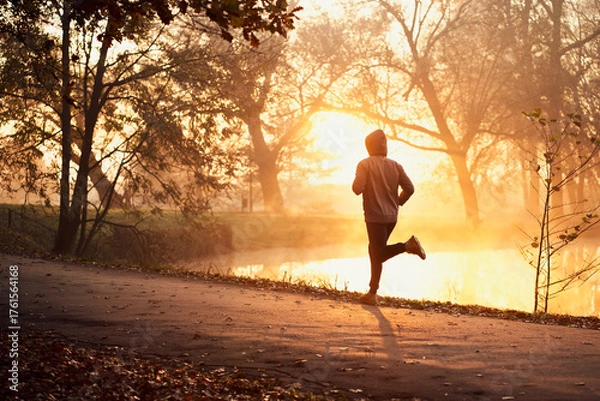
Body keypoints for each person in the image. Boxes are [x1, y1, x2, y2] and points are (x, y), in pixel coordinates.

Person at [352, 129, 426, 306]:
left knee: (377, 252)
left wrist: (361, 178)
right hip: (391, 216)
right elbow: (410, 188)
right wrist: (398, 202)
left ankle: (408, 245)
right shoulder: (396, 165)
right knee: (375, 251)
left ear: (368, 146)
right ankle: (372, 293)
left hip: (374, 216)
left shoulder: (364, 164)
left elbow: (357, 189)